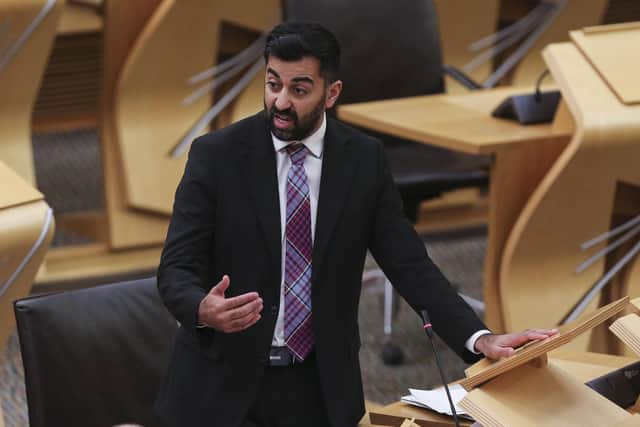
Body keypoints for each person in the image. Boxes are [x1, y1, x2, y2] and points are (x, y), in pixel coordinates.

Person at [155, 22, 556, 427]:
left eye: (299, 89)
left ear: (331, 94)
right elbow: (175, 268)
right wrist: (202, 309)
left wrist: (479, 339)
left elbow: (409, 265)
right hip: (222, 387)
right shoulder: (216, 156)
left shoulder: (363, 161)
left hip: (319, 388)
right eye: (273, 84)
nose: (280, 101)